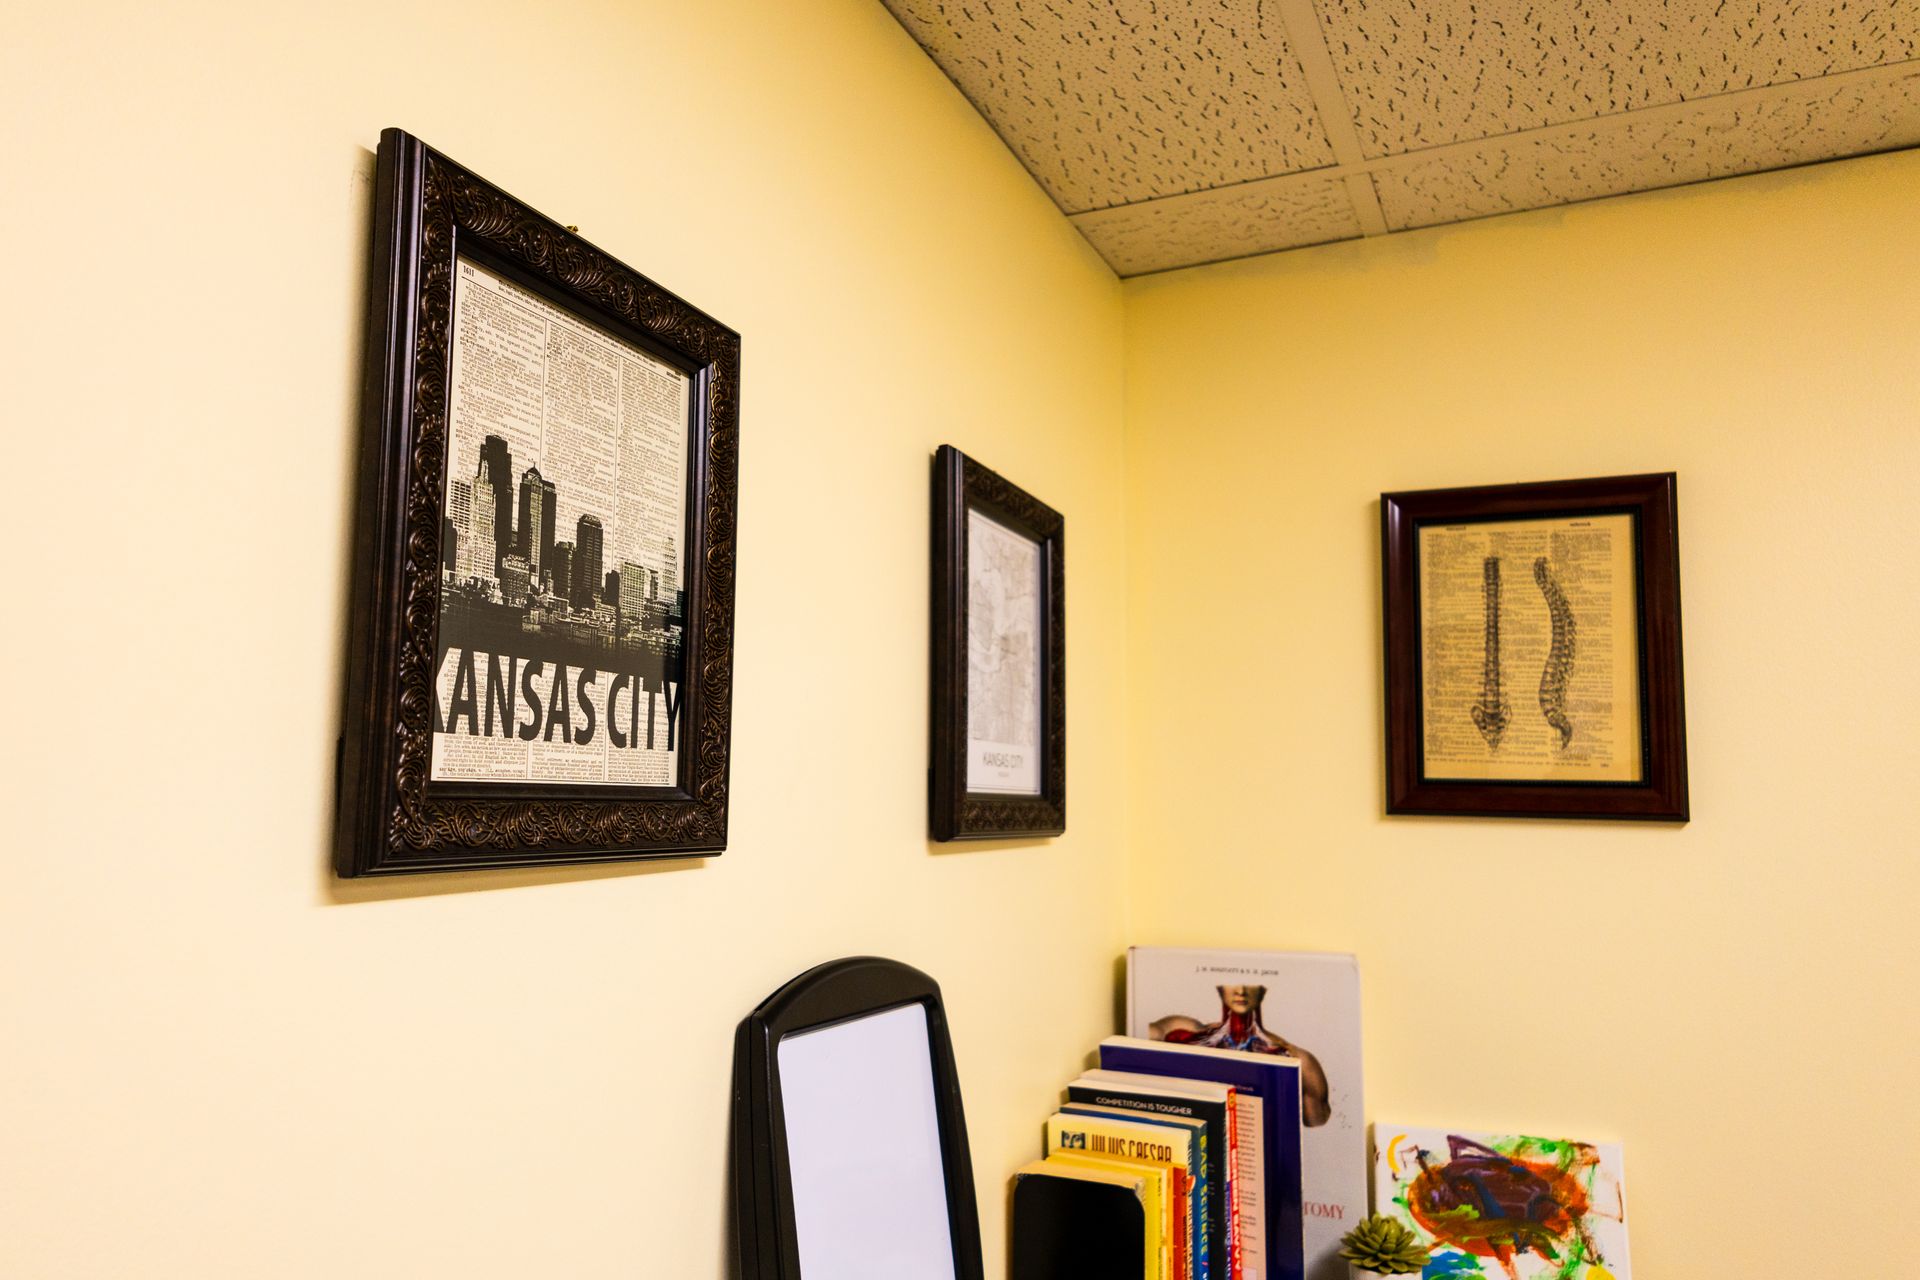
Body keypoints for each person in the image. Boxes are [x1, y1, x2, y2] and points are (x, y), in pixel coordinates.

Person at [1150, 984, 1332, 1127]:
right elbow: (1149, 1033)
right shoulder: (1182, 1031)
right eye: (1233, 983)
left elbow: (1315, 1120)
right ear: (1220, 989)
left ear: (1262, 991)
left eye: (1249, 985)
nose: (1241, 991)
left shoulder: (1297, 1059)